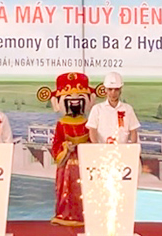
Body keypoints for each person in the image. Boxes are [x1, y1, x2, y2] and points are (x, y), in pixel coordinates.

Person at [40, 72, 100, 226]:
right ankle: (64, 214)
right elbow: (56, 143)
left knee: (85, 189)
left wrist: (87, 147)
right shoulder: (61, 124)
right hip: (67, 164)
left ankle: (85, 215)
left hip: (84, 164)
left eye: (79, 98)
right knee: (66, 189)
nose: (74, 102)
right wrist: (65, 147)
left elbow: (94, 141)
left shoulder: (89, 122)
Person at [86, 72, 140, 144]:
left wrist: (132, 149)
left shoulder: (128, 109)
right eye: (110, 89)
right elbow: (92, 130)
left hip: (122, 151)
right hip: (102, 151)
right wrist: (97, 147)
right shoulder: (97, 109)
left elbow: (133, 131)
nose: (113, 93)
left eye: (116, 89)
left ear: (120, 89)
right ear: (105, 89)